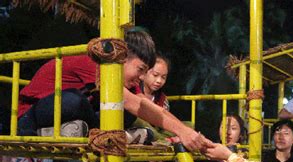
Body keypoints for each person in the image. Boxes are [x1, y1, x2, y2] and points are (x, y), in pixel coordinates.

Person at [17, 29, 207, 151]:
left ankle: (74, 131)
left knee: (128, 113)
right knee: (75, 101)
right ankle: (52, 131)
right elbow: (134, 103)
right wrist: (182, 131)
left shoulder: (127, 81)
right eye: (141, 70)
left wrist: (186, 131)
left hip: (73, 119)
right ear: (123, 58)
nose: (141, 78)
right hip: (32, 115)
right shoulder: (99, 63)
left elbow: (146, 107)